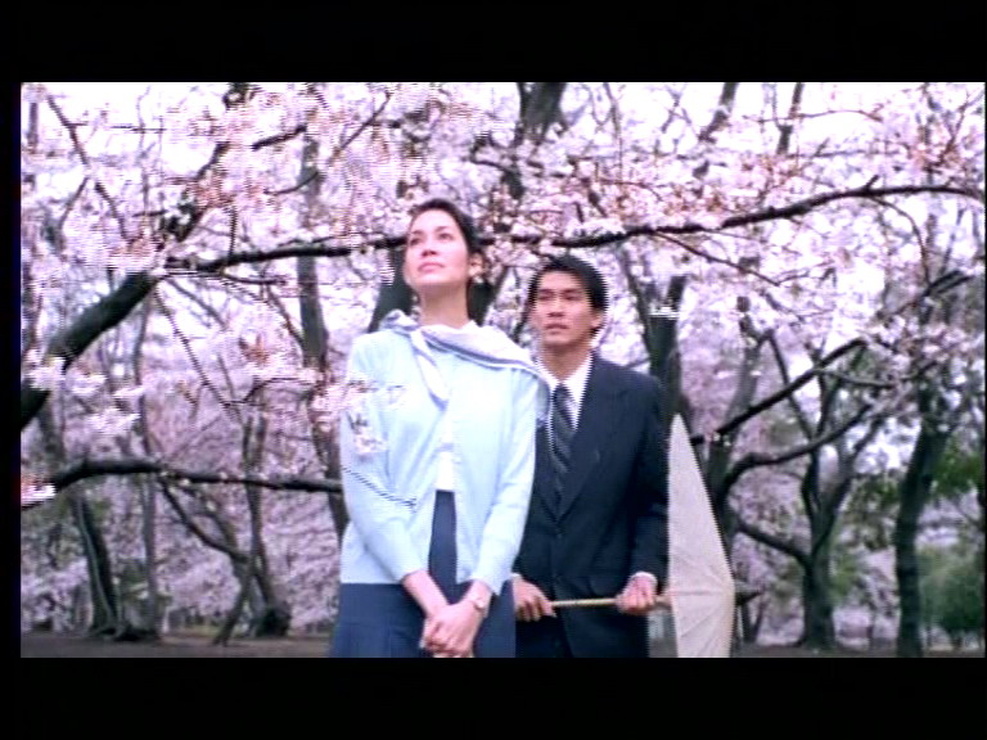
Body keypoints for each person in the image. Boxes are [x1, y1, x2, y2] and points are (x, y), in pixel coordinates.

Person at [330, 198, 542, 658]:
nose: (427, 247)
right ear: (406, 270)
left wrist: (474, 605)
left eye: (444, 237)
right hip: (383, 572)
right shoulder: (372, 355)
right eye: (415, 241)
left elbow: (514, 492)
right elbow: (363, 480)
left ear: (476, 263)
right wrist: (434, 603)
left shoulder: (515, 370)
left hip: (480, 577)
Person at [512, 254, 669, 658]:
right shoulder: (503, 393)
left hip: (608, 621)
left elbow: (654, 503)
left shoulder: (637, 396)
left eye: (571, 298)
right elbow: (473, 501)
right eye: (544, 298)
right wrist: (504, 578)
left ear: (597, 316)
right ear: (530, 313)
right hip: (518, 620)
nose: (556, 309)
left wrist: (645, 573)